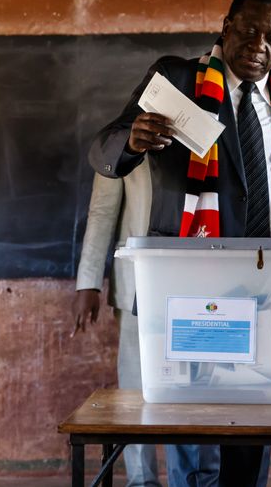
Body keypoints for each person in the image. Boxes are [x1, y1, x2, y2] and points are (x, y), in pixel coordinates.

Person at [89, 0, 271, 487]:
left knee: (253, 428)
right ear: (226, 26)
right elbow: (104, 147)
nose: (259, 46)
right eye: (249, 31)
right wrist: (132, 140)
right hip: (191, 282)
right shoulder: (176, 79)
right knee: (194, 435)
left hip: (265, 288)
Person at [72, 161, 162, 487]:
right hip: (136, 282)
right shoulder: (120, 136)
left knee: (197, 395)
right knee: (135, 391)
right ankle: (142, 481)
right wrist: (88, 282)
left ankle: (193, 479)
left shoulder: (213, 124)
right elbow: (102, 211)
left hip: (197, 282)